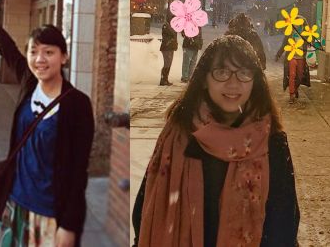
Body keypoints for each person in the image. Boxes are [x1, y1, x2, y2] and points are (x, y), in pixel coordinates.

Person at [132, 36, 299, 246]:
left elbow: (284, 225)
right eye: (222, 72)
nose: (233, 83)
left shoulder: (271, 142)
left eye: (244, 73)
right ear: (204, 79)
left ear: (254, 81)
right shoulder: (177, 136)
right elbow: (145, 209)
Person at [0, 0, 95, 247]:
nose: (40, 59)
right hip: (13, 204)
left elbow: (77, 171)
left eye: (49, 52)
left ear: (63, 57)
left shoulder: (77, 104)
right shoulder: (30, 85)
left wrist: (69, 225)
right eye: (34, 52)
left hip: (49, 216)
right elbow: (7, 49)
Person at [274, 27, 309, 104]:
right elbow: (284, 45)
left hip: (301, 58)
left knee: (300, 76)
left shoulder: (304, 34)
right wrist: (278, 55)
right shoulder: (289, 34)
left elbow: (307, 44)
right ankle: (291, 94)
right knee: (292, 75)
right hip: (291, 57)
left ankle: (295, 89)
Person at [159, 13, 178, 86]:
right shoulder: (166, 26)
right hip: (166, 48)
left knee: (169, 64)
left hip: (171, 47)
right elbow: (168, 36)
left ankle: (165, 79)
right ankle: (163, 79)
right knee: (167, 63)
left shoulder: (173, 26)